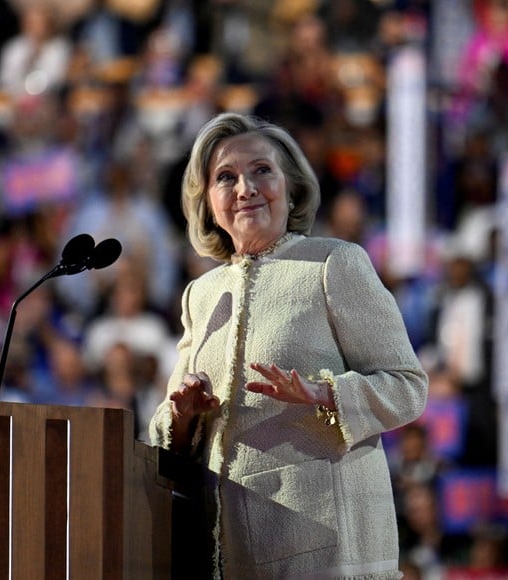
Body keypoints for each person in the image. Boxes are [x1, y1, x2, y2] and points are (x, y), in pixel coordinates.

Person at [148, 112, 428, 579]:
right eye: (226, 177)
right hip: (227, 550)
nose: (245, 188)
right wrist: (182, 415)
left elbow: (408, 387)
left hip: (328, 551)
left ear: (292, 187)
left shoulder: (334, 264)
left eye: (262, 170)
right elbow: (168, 433)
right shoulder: (201, 294)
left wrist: (327, 395)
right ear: (208, 203)